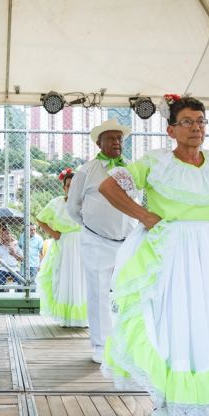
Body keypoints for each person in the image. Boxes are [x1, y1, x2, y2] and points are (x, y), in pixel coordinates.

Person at [98, 95, 209, 416]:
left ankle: (202, 402)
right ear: (171, 129)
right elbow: (109, 187)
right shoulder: (155, 162)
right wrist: (144, 216)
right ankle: (163, 397)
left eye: (201, 121)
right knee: (168, 318)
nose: (196, 128)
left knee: (207, 319)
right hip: (167, 251)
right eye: (187, 122)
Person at [67, 118, 136, 363]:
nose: (116, 142)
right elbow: (73, 207)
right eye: (111, 138)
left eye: (119, 138)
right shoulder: (87, 170)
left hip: (128, 241)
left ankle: (127, 343)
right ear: (99, 143)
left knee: (129, 292)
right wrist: (93, 226)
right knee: (98, 293)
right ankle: (100, 345)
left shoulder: (132, 167)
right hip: (96, 240)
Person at [36, 168, 88, 327]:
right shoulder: (56, 203)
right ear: (64, 188)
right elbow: (40, 219)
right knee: (64, 278)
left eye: (75, 186)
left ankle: (83, 317)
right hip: (64, 244)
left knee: (82, 279)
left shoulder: (86, 202)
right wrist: (53, 233)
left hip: (83, 244)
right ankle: (66, 317)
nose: (71, 189)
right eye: (68, 186)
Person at [0, 224, 23, 291]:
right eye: (3, 234)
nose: (5, 235)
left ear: (10, 235)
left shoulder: (15, 245)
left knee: (21, 283)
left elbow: (22, 259)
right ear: (1, 236)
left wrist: (14, 254)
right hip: (2, 268)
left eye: (7, 234)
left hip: (14, 268)